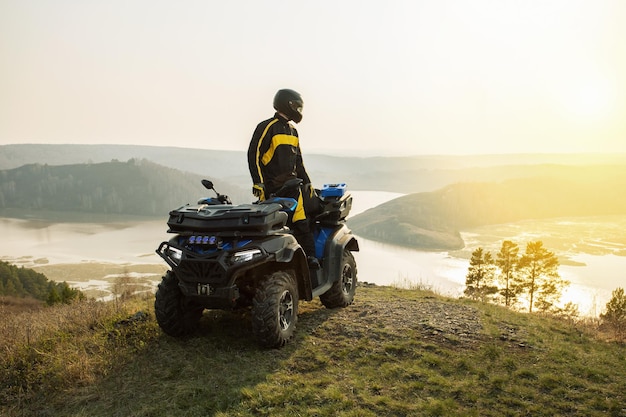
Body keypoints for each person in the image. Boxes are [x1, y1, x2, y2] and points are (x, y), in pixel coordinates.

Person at [247, 88, 318, 266]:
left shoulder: (293, 131)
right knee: (273, 228)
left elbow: (298, 161)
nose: (300, 112)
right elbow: (253, 154)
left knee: (301, 224)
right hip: (272, 188)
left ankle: (309, 259)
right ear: (288, 105)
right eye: (298, 107)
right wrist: (258, 182)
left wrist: (307, 182)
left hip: (293, 187)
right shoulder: (267, 127)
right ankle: (271, 265)